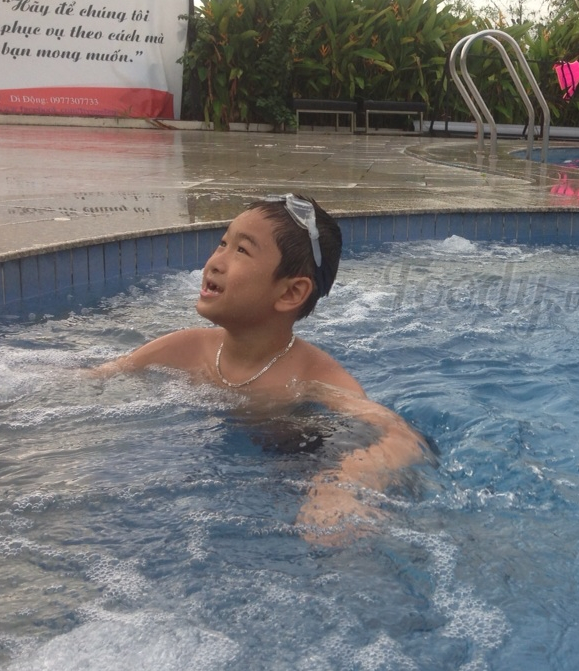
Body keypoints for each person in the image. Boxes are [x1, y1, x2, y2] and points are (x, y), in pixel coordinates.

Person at [97, 193, 433, 543]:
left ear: (291, 293)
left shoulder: (315, 379)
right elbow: (95, 380)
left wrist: (343, 484)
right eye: (223, 243)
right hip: (213, 484)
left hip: (295, 473)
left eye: (241, 250)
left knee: (337, 536)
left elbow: (399, 436)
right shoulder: (182, 348)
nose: (215, 262)